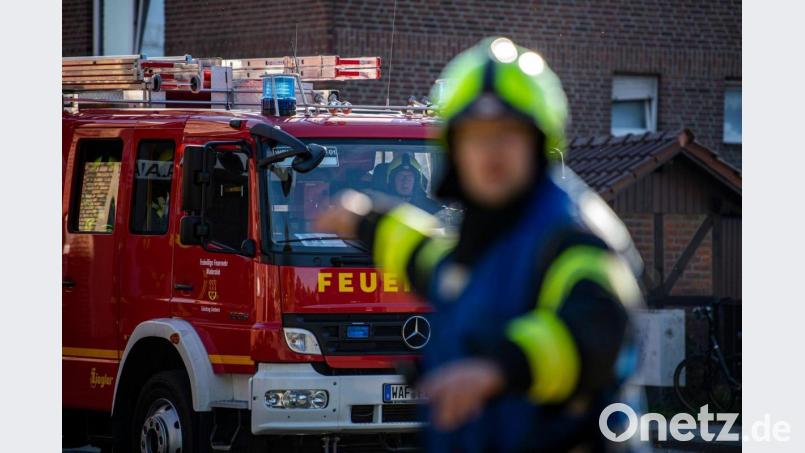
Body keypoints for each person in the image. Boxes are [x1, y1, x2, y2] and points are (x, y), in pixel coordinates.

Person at [315, 37, 644, 452]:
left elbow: (596, 328)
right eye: (475, 135)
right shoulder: (490, 234)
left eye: (508, 133)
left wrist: (499, 368)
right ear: (454, 148)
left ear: (538, 141)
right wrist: (367, 223)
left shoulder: (574, 234)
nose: (491, 151)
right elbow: (438, 266)